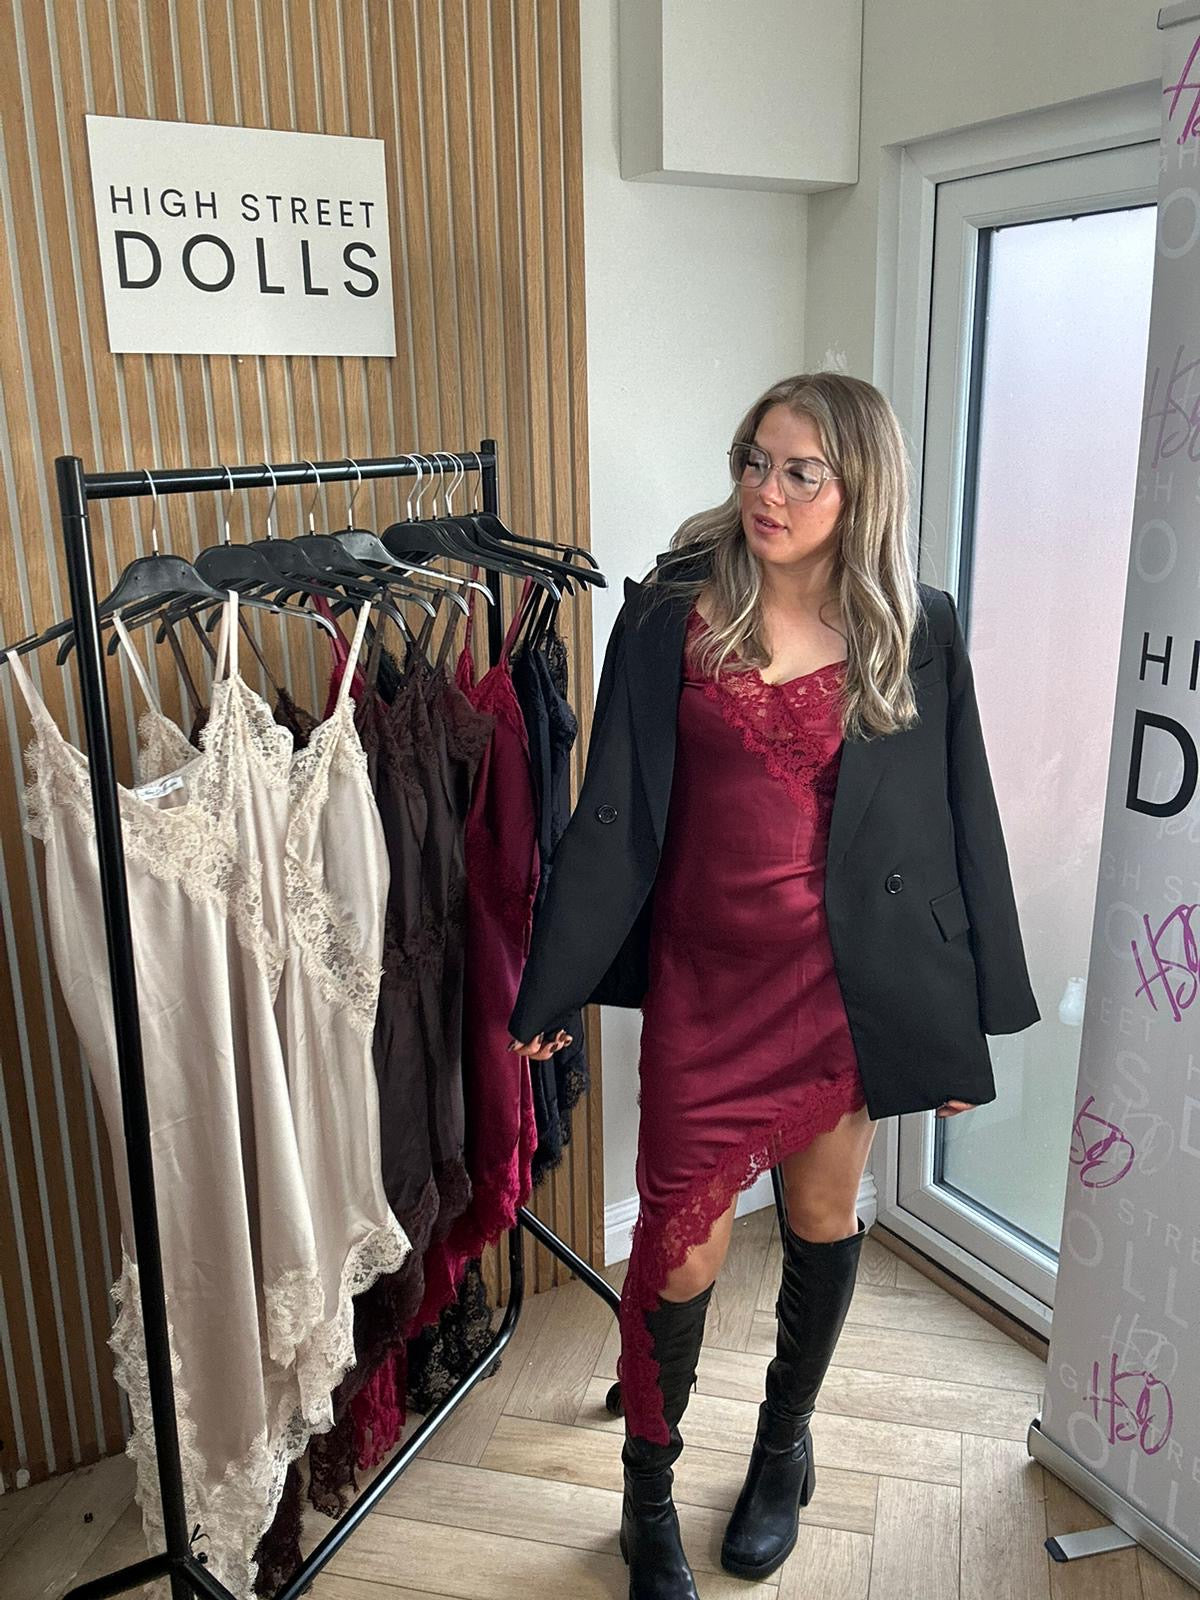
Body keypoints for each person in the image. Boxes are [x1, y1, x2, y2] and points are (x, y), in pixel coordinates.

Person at [507, 372, 1039, 1598]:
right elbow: (612, 812)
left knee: (818, 1219)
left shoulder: (919, 625)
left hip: (851, 993)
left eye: (803, 471)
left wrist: (965, 1023)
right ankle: (647, 1497)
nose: (768, 490)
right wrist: (553, 983)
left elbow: (961, 819)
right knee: (678, 1256)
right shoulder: (668, 616)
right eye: (755, 460)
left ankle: (782, 1448)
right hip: (707, 987)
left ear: (862, 488)